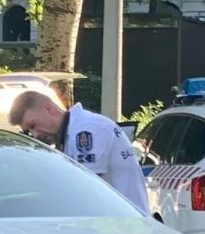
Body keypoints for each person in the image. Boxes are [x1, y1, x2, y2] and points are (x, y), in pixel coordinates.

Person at [9, 90, 147, 210]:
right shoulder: (73, 132)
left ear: (49, 109)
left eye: (33, 125)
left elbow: (86, 191)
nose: (35, 134)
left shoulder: (86, 130)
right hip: (121, 226)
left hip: (124, 228)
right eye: (29, 131)